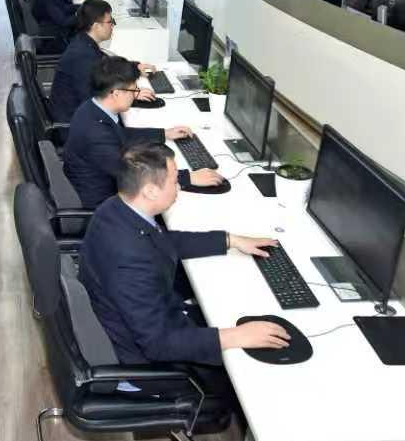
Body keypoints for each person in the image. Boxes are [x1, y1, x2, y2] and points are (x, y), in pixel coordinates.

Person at [79, 141, 288, 366]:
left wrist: (230, 240)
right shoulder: (130, 261)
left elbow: (161, 239)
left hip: (148, 320)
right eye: (174, 181)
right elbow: (158, 344)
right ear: (150, 191)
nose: (179, 187)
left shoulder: (114, 208)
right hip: (150, 360)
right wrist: (234, 336)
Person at [63, 56, 219, 207]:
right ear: (116, 93)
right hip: (103, 199)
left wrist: (164, 133)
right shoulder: (96, 134)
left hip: (98, 181)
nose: (135, 94)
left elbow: (120, 135)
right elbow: (129, 175)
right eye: (133, 90)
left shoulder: (92, 108)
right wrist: (186, 177)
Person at [50, 0, 154, 123]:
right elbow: (95, 100)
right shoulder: (84, 56)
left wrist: (135, 67)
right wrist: (131, 94)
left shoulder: (83, 41)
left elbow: (107, 65)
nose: (112, 25)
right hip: (74, 123)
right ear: (96, 26)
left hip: (76, 113)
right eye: (110, 22)